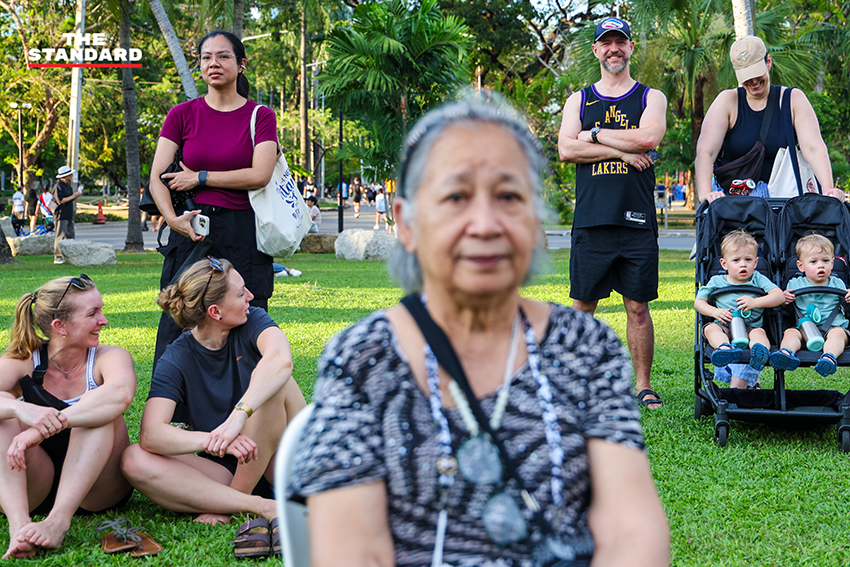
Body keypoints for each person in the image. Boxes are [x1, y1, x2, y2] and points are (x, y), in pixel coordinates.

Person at [288, 96, 670, 566]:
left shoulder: (586, 348)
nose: (485, 225)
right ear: (407, 223)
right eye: (456, 197)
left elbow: (632, 530)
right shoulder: (361, 360)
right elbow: (354, 551)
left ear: (533, 221)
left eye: (509, 196)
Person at [120, 258, 306, 541]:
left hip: (286, 465)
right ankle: (257, 505)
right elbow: (151, 434)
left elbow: (280, 360)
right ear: (215, 311)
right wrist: (217, 440)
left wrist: (238, 416)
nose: (251, 297)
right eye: (241, 293)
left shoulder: (253, 319)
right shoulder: (177, 356)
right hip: (226, 469)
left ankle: (231, 502)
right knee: (134, 458)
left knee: (274, 384)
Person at [148, 30, 279, 380]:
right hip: (192, 228)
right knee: (180, 317)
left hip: (242, 230)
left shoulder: (260, 115)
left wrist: (200, 177)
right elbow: (157, 177)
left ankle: (248, 405)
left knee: (247, 314)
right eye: (206, 57)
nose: (213, 64)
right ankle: (172, 410)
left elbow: (261, 173)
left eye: (223, 56)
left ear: (241, 64)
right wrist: (173, 219)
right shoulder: (181, 114)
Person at [557, 17, 668, 408]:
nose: (613, 49)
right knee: (583, 306)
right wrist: (623, 150)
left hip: (636, 220)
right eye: (606, 43)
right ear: (596, 51)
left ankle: (643, 385)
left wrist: (596, 134)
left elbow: (649, 137)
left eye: (620, 41)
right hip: (592, 219)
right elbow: (567, 150)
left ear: (630, 47)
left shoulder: (650, 97)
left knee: (638, 307)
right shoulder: (580, 100)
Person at [0, 275, 136, 559]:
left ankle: (58, 522)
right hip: (36, 485)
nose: (104, 320)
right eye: (93, 313)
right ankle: (20, 525)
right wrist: (17, 408)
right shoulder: (24, 359)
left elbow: (120, 395)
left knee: (98, 407)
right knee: (3, 413)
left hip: (97, 489)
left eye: (101, 310)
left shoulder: (109, 357)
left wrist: (42, 428)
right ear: (60, 327)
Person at [695, 35, 844, 204]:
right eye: (747, 77)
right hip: (736, 200)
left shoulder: (793, 99)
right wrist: (706, 194)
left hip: (782, 197)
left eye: (757, 74)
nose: (754, 81)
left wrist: (827, 188)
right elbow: (706, 152)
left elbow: (813, 148)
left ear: (768, 62)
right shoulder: (727, 101)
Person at [694, 230, 785, 386]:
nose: (743, 264)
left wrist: (756, 302)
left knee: (760, 333)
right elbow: (699, 302)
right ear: (724, 264)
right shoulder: (717, 281)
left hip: (751, 328)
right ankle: (724, 348)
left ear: (756, 262)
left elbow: (779, 296)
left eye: (748, 259)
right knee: (710, 329)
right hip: (725, 326)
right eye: (736, 260)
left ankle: (760, 351)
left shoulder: (758, 278)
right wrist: (715, 311)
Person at [771, 234, 850, 376]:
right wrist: (785, 301)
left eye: (825, 261)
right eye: (813, 262)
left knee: (838, 334)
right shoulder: (794, 284)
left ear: (832, 264)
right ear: (801, 266)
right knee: (791, 332)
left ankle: (828, 357)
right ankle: (786, 353)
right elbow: (786, 309)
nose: (821, 265)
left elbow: (846, 306)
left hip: (834, 327)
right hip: (805, 330)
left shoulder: (838, 283)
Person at [52, 165, 82, 265]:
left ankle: (70, 255)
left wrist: (75, 196)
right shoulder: (58, 186)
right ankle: (58, 256)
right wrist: (74, 196)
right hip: (61, 214)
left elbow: (69, 198)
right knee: (60, 235)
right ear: (65, 175)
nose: (72, 175)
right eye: (70, 174)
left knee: (70, 235)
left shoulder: (67, 186)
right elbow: (60, 201)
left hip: (68, 214)